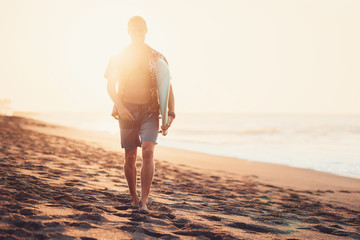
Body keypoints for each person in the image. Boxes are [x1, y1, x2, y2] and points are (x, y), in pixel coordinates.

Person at [104, 16, 175, 213]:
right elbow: (110, 87)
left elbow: (167, 87)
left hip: (150, 112)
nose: (137, 33)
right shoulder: (119, 57)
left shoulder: (157, 58)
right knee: (129, 156)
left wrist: (171, 113)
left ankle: (144, 200)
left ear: (145, 31)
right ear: (129, 32)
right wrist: (120, 106)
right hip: (127, 111)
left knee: (148, 151)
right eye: (133, 30)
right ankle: (133, 197)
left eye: (140, 29)